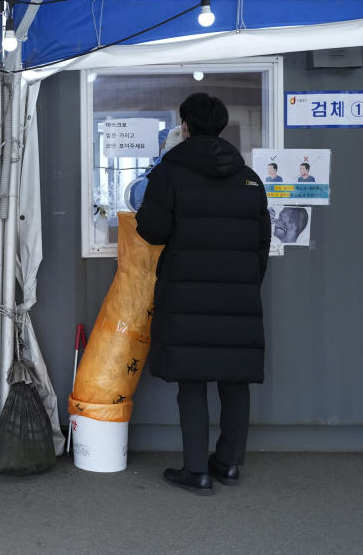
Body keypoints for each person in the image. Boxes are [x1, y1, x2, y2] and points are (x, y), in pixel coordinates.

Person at [136, 93, 270, 495]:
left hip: (186, 294)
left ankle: (196, 470)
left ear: (185, 125)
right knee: (235, 379)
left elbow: (151, 230)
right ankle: (228, 464)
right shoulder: (250, 177)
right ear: (222, 126)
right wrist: (245, 283)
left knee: (191, 381)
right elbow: (261, 243)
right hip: (239, 296)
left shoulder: (170, 173)